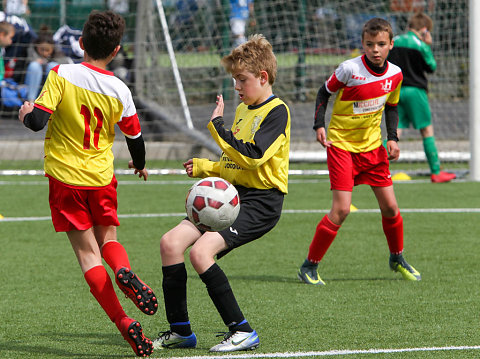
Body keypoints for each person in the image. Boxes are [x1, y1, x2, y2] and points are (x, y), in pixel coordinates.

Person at [18, 10, 156, 357]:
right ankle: (124, 269)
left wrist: (24, 112)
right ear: (116, 50)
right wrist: (139, 165)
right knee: (108, 240)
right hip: (100, 178)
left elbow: (37, 121)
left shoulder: (61, 74)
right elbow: (135, 137)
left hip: (66, 180)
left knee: (86, 253)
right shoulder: (120, 89)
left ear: (80, 44)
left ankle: (125, 322)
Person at [153, 34, 290, 352]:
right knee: (170, 243)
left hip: (261, 201)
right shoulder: (244, 109)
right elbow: (234, 161)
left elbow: (254, 156)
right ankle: (181, 331)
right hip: (232, 195)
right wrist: (206, 167)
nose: (238, 87)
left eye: (242, 80)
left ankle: (242, 331)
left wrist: (218, 127)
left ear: (263, 77)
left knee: (201, 254)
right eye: (235, 80)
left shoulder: (277, 112)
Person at [298, 18, 421, 286]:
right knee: (341, 210)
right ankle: (310, 265)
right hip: (342, 147)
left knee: (390, 207)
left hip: (373, 149)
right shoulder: (349, 69)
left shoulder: (396, 74)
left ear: (391, 44)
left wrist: (392, 138)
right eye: (369, 44)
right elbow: (323, 93)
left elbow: (391, 106)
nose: (375, 49)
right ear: (362, 44)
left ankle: (397, 257)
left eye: (380, 44)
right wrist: (319, 125)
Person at [388, 12, 456, 183]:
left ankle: (373, 168)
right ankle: (436, 172)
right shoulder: (421, 45)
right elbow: (431, 66)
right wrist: (428, 46)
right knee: (426, 130)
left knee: (395, 132)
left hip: (395, 90)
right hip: (415, 92)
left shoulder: (394, 41)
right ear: (425, 29)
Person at [24, 25, 71, 101]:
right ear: (37, 46)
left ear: (52, 48)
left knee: (53, 66)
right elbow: (28, 61)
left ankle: (51, 100)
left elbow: (65, 62)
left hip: (48, 83)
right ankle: (30, 101)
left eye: (47, 50)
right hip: (33, 83)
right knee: (34, 66)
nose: (44, 53)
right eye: (42, 49)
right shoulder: (31, 49)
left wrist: (48, 62)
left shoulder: (58, 51)